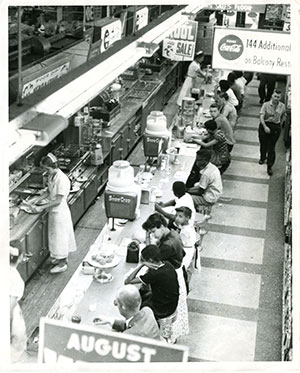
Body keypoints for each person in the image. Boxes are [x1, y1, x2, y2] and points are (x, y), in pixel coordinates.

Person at [142, 214, 189, 343]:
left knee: (166, 322)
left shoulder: (167, 246)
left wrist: (147, 240)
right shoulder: (173, 233)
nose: (152, 235)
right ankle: (169, 339)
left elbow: (151, 256)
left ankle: (165, 342)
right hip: (177, 274)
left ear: (161, 227)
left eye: (153, 232)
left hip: (170, 281)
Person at [31, 153, 76, 273]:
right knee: (55, 237)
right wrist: (37, 200)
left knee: (60, 238)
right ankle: (58, 258)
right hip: (53, 212)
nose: (46, 171)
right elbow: (48, 190)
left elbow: (57, 200)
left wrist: (41, 207)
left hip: (60, 213)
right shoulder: (52, 176)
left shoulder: (62, 179)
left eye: (47, 169)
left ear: (53, 167)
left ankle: (62, 264)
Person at [125, 245, 179, 342]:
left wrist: (142, 265)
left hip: (162, 309)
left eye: (144, 260)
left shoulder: (154, 274)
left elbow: (128, 281)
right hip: (171, 303)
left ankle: (139, 332)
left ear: (150, 260)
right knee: (144, 295)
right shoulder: (168, 265)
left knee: (136, 307)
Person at [93, 285, 160, 340]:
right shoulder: (147, 311)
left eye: (117, 303)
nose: (116, 305)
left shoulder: (128, 336)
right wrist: (110, 320)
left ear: (123, 307)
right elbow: (132, 323)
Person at [258, 89, 286, 176]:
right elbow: (261, 116)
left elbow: (283, 115)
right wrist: (265, 127)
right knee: (263, 144)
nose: (276, 98)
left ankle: (269, 166)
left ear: (280, 97)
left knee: (271, 147)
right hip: (265, 125)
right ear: (272, 96)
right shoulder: (266, 105)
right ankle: (262, 157)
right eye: (275, 96)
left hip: (275, 127)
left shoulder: (282, 106)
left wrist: (280, 124)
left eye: (278, 97)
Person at [10, 246, 27, 363]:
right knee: (18, 340)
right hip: (10, 312)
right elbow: (10, 306)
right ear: (20, 258)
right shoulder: (15, 279)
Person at [173, 207, 197, 283]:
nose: (177, 218)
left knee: (181, 269)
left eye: (180, 216)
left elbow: (177, 241)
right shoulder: (188, 225)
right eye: (176, 215)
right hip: (189, 248)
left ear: (187, 218)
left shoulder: (185, 231)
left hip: (186, 251)